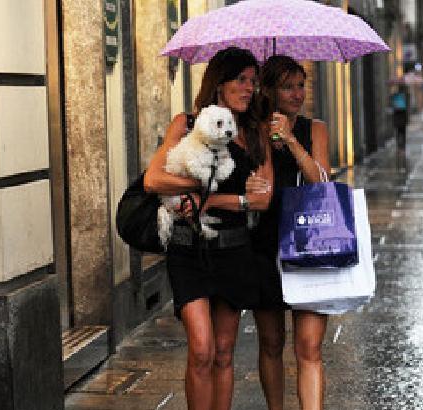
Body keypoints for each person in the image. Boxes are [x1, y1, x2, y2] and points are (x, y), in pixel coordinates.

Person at [143, 47, 273, 410]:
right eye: (241, 80)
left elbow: (262, 199)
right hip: (189, 250)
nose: (250, 88)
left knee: (224, 352)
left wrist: (209, 201)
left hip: (234, 251)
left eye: (254, 81)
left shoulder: (253, 131)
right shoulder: (186, 124)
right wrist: (199, 188)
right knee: (201, 349)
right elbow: (154, 179)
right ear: (219, 85)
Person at [246, 55, 331, 410]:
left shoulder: (315, 129)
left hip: (310, 245)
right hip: (264, 245)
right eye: (287, 86)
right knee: (271, 341)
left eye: (301, 85)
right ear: (268, 90)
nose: (298, 94)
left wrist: (293, 142)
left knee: (309, 346)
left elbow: (322, 182)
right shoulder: (252, 131)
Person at [390, 84, 409, 153]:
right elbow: (407, 108)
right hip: (402, 117)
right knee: (403, 132)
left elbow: (392, 105)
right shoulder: (405, 96)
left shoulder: (395, 96)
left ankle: (399, 146)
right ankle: (402, 146)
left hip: (397, 117)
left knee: (398, 132)